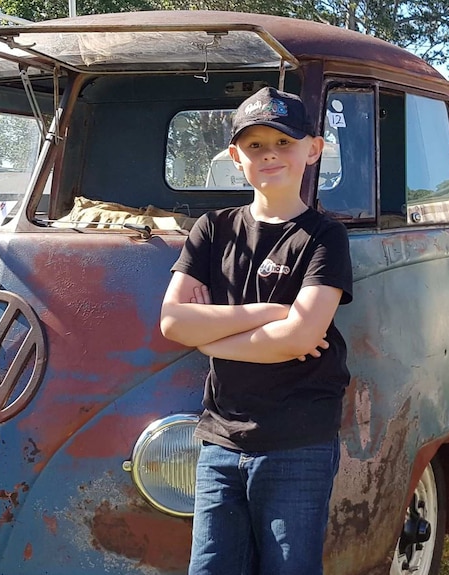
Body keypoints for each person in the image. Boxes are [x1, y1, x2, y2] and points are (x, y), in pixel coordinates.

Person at [159, 86, 353, 575]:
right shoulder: (211, 228)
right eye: (255, 145)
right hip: (220, 441)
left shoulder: (325, 237)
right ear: (234, 156)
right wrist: (268, 312)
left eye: (283, 143)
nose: (269, 155)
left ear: (313, 149)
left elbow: (301, 339)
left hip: (298, 442)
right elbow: (171, 321)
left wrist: (207, 338)